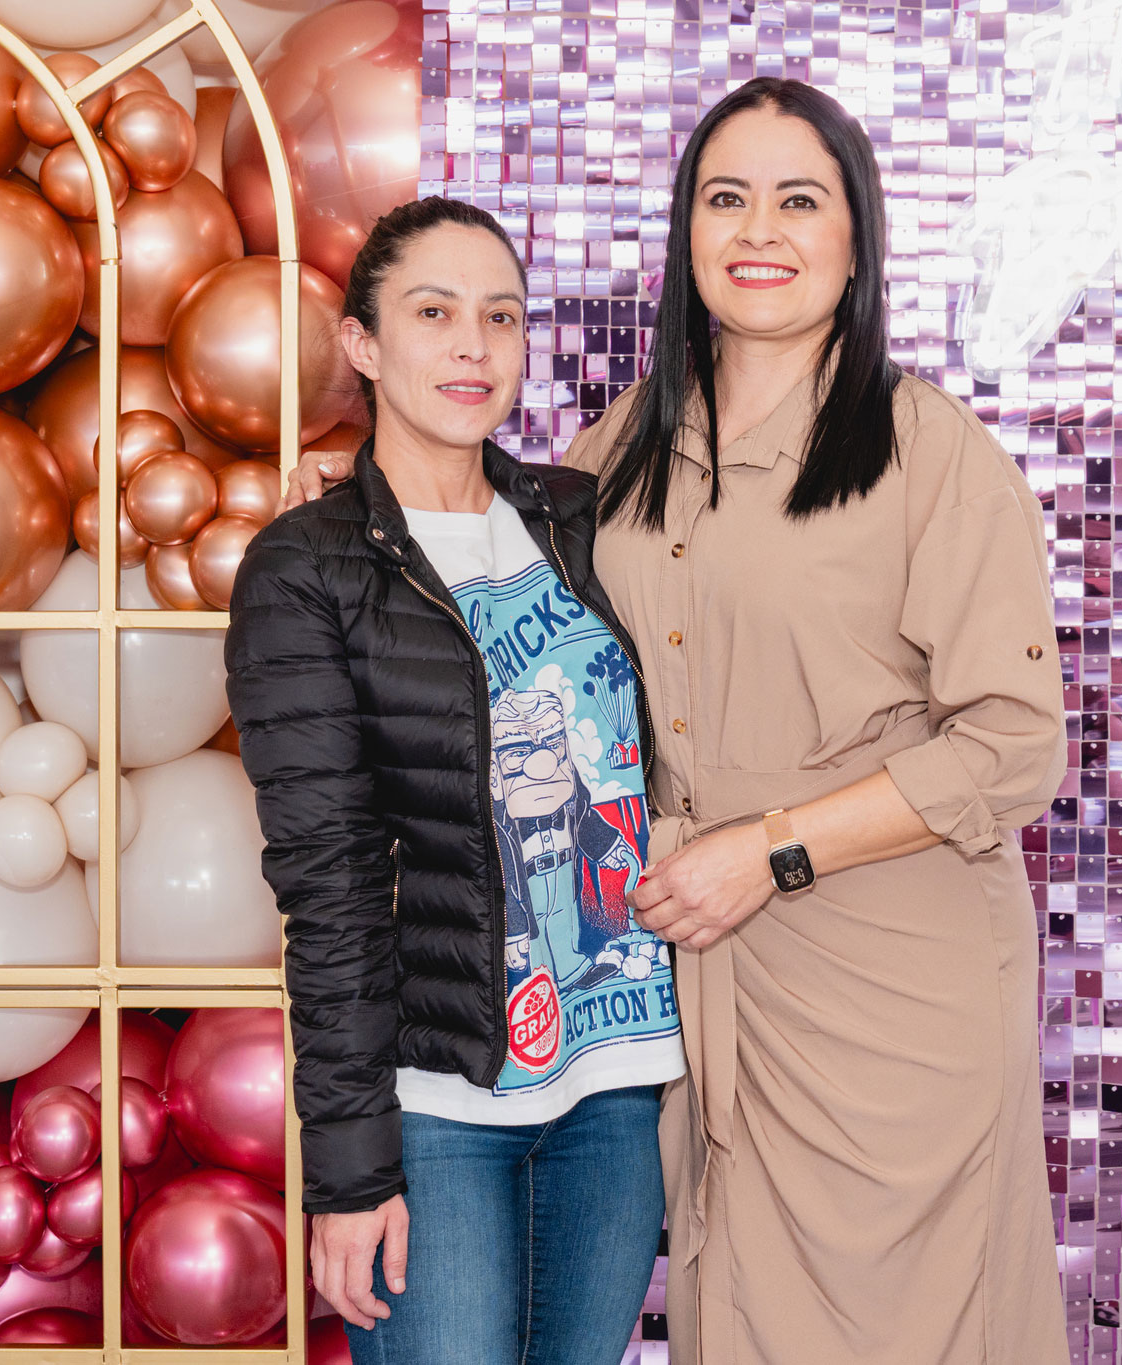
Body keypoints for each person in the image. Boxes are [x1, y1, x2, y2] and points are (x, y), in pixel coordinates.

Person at [283, 77, 1071, 1365]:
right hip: (684, 987)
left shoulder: (928, 453)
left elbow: (1011, 744)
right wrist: (365, 501)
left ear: (857, 239)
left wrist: (769, 848)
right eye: (725, 198)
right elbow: (494, 574)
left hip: (886, 980)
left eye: (797, 201)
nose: (758, 230)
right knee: (732, 1317)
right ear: (686, 232)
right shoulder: (626, 446)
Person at [225, 196, 682, 1365]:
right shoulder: (305, 569)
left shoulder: (578, 520)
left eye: (500, 316)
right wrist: (349, 1171)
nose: (473, 346)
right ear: (363, 344)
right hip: (437, 1108)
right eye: (432, 314)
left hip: (618, 1077)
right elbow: (326, 884)